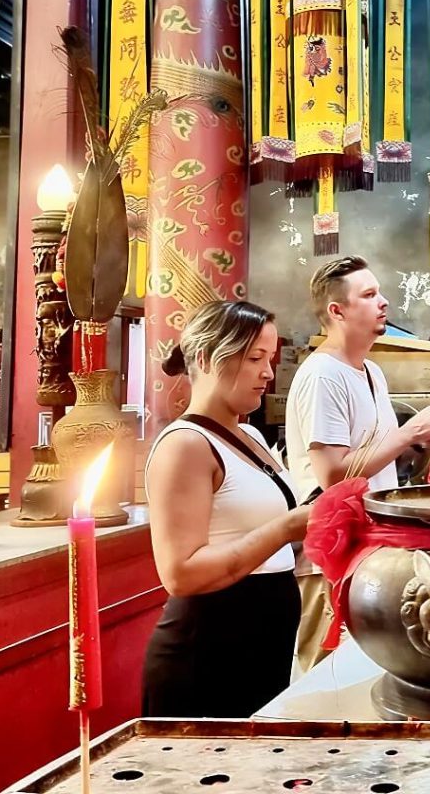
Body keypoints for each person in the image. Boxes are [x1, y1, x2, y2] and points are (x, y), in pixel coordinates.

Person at [286, 256, 430, 674]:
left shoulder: (371, 371)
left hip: (367, 538)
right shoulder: (323, 375)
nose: (383, 302)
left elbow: (374, 453)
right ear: (337, 311)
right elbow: (332, 474)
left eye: (379, 292)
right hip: (330, 548)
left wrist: (419, 445)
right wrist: (407, 433)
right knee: (323, 667)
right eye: (368, 294)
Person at [142, 300, 309, 718]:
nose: (268, 373)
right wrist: (287, 528)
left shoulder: (251, 436)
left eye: (269, 359)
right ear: (205, 358)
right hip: (208, 647)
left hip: (262, 640)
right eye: (254, 358)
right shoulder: (186, 445)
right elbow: (180, 573)